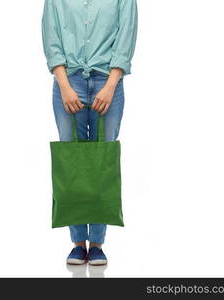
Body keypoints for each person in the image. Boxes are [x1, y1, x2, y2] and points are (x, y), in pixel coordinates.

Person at [41, 0, 138, 265]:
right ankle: (76, 243)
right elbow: (52, 37)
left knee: (102, 158)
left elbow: (126, 34)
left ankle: (96, 243)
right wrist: (63, 85)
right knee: (70, 159)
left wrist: (111, 84)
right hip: (68, 82)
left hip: (108, 82)